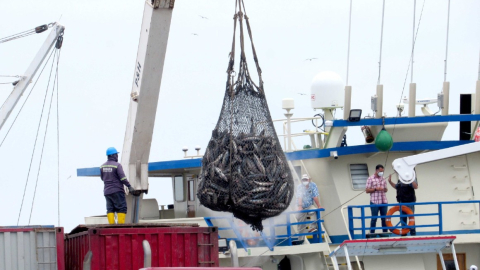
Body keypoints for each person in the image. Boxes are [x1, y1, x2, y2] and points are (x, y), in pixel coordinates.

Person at [100, 147, 134, 224]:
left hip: (107, 192)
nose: (117, 156)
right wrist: (129, 186)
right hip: (117, 191)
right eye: (116, 155)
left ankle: (111, 226)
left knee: (110, 209)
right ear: (113, 155)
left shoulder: (102, 166)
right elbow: (123, 178)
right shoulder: (117, 165)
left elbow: (102, 178)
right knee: (122, 208)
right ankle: (120, 226)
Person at [388, 170, 418, 236]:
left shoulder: (411, 179)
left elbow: (416, 186)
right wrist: (390, 182)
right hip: (401, 202)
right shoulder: (400, 180)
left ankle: (413, 233)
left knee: (411, 218)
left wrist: (411, 178)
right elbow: (396, 187)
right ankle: (404, 234)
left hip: (410, 202)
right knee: (403, 219)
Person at [366, 164, 388, 234]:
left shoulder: (383, 178)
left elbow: (386, 189)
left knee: (384, 218)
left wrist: (384, 189)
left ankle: (385, 233)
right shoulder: (370, 178)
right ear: (376, 170)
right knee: (374, 218)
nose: (381, 172)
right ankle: (372, 233)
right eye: (380, 171)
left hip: (383, 201)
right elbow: (367, 190)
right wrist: (375, 189)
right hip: (374, 201)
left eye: (382, 171)